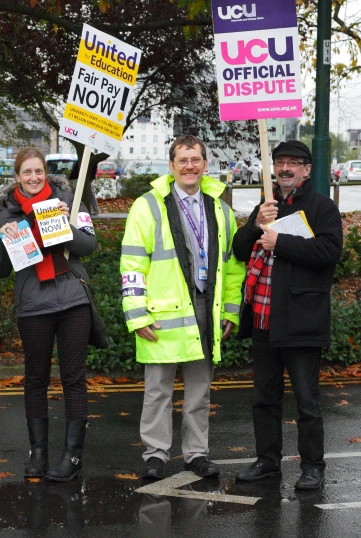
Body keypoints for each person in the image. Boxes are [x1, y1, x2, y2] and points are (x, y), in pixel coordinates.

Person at [120, 135, 245, 480]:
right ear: (171, 166)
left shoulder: (220, 207)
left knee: (199, 390)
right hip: (160, 315)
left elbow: (233, 265)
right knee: (157, 390)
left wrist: (230, 311)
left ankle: (196, 454)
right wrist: (136, 314)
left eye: (196, 159)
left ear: (205, 164)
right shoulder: (148, 205)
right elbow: (132, 263)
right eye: (182, 160)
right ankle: (155, 455)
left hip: (206, 309)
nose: (189, 166)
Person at [232, 140, 342, 490]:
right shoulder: (267, 205)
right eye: (280, 163)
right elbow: (238, 250)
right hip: (264, 319)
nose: (285, 169)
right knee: (264, 399)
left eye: (294, 163)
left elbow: (328, 252)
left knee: (307, 401)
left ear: (307, 170)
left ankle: (313, 467)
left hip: (301, 319)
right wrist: (255, 226)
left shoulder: (322, 207)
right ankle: (267, 462)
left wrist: (279, 242)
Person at [0, 147, 97, 481]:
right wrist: (0, 240)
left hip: (73, 301)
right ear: (17, 177)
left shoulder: (68, 201)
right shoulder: (8, 214)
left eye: (39, 172)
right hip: (34, 306)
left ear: (45, 173)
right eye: (27, 173)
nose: (33, 178)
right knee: (36, 379)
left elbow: (89, 247)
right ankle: (38, 453)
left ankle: (72, 458)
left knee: (73, 378)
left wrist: (64, 223)